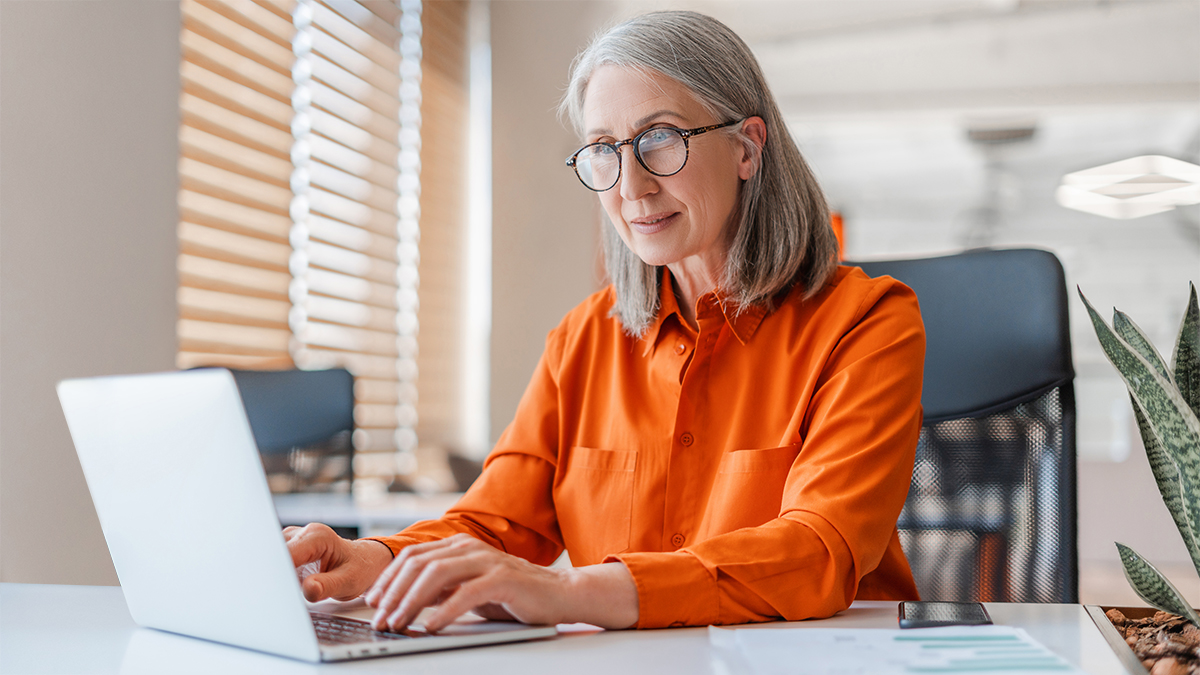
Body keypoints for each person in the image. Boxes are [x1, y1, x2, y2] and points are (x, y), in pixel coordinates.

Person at [286, 10, 924, 633]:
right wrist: (377, 560)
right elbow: (494, 523)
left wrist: (569, 590)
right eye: (603, 151)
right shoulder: (582, 342)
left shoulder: (867, 322)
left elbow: (817, 548)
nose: (631, 186)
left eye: (660, 140)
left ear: (747, 148)